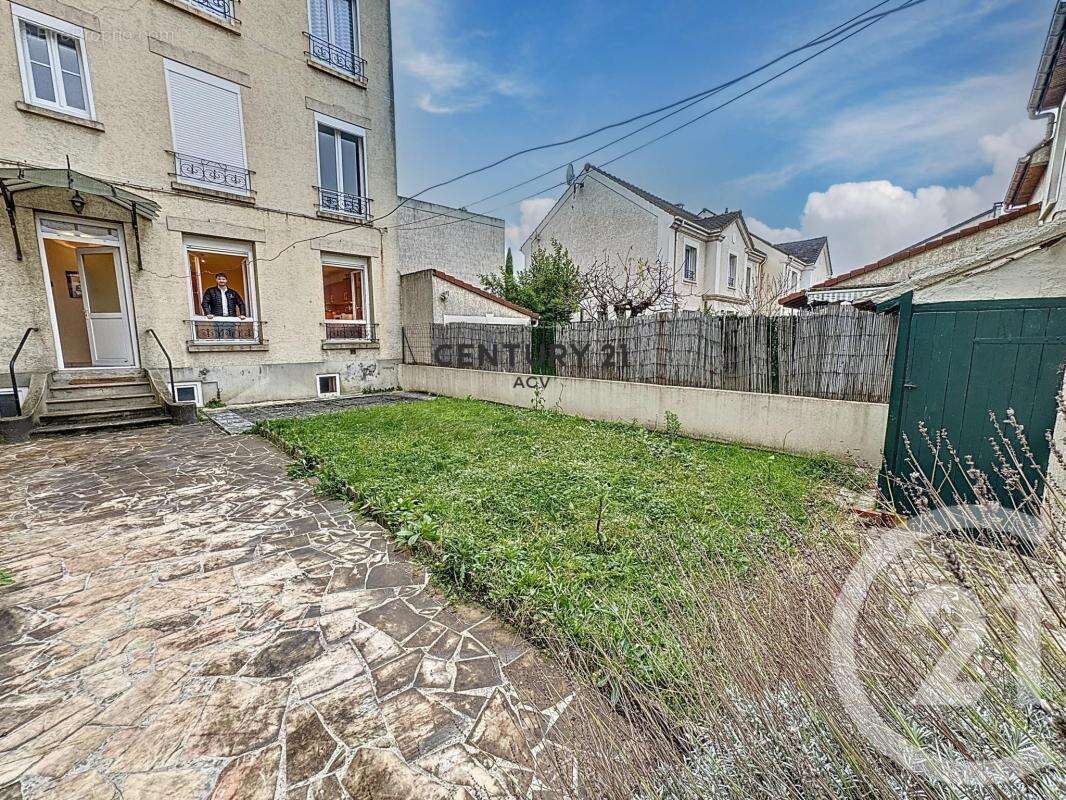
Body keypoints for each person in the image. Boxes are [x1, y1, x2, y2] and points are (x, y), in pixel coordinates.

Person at [201, 273, 247, 339]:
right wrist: (208, 313)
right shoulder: (210, 291)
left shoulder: (233, 292)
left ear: (226, 280)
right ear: (216, 280)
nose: (221, 281)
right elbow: (205, 303)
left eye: (223, 279)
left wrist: (243, 314)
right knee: (219, 337)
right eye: (219, 279)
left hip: (231, 318)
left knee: (231, 337)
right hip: (217, 318)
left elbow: (241, 303)